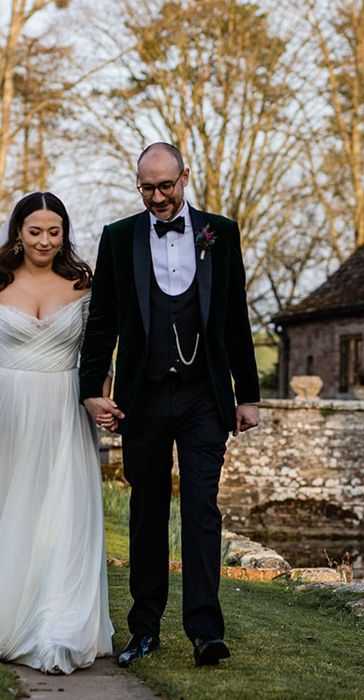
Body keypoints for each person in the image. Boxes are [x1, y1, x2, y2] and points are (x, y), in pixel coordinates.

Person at [79, 142, 260, 668]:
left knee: (202, 508)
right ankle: (144, 629)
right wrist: (93, 389)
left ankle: (206, 632)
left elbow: (234, 317)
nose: (157, 197)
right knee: (147, 511)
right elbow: (104, 320)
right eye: (146, 188)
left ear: (185, 177)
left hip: (205, 394)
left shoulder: (219, 233)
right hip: (145, 396)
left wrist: (246, 395)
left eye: (165, 186)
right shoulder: (118, 238)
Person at [0, 192, 114, 674]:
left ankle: (60, 621)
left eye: (54, 231)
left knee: (63, 513)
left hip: (66, 408)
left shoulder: (84, 285)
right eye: (34, 231)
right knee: (13, 507)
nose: (44, 240)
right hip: (8, 407)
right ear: (17, 232)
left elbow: (98, 354)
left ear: (64, 233)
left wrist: (102, 398)